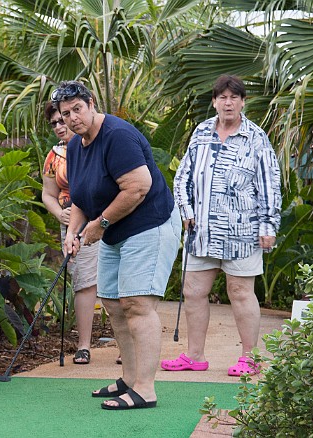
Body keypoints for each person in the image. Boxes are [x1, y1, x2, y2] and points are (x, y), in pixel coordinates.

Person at [52, 80, 180, 410]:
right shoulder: (77, 146)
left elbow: (138, 187)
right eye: (66, 114)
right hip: (113, 230)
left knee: (137, 304)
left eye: (77, 109)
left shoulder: (117, 136)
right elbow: (82, 197)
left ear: (91, 103)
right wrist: (72, 232)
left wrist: (99, 225)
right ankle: (131, 378)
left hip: (148, 223)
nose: (72, 118)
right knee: (111, 302)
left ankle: (146, 390)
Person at [161, 75, 281, 376]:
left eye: (234, 97)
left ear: (243, 102)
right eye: (222, 97)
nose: (228, 103)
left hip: (243, 232)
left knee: (240, 291)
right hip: (201, 231)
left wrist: (269, 224)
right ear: (214, 101)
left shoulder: (256, 138)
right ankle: (194, 356)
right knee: (193, 290)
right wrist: (185, 210)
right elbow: (182, 177)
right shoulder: (201, 132)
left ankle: (249, 358)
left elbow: (270, 184)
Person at [41, 101, 99, 365]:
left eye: (62, 120)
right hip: (72, 224)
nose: (59, 126)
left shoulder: (96, 144)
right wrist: (59, 214)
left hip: (102, 219)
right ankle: (83, 345)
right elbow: (48, 194)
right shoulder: (54, 156)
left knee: (113, 282)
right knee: (83, 281)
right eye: (54, 123)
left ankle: (126, 346)